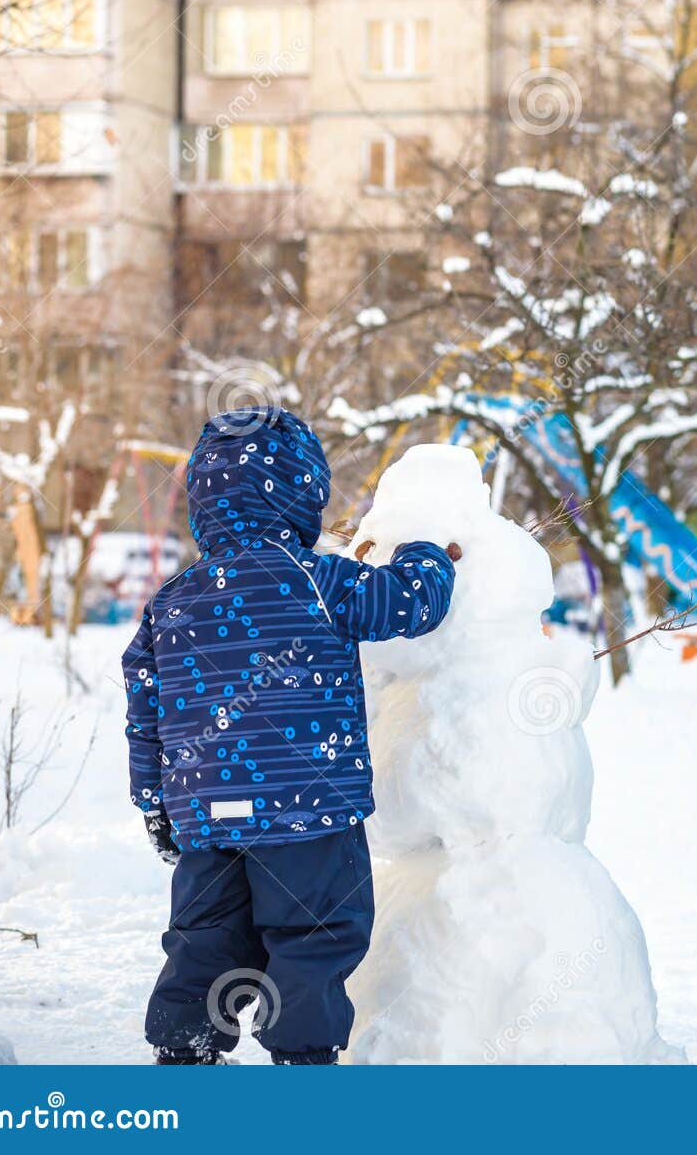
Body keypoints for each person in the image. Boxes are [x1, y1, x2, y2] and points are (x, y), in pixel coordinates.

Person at [122, 406, 458, 1065]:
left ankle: (184, 1053)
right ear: (304, 495)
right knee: (313, 937)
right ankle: (304, 1064)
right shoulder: (320, 578)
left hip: (207, 816)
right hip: (309, 809)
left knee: (206, 939)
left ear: (203, 502)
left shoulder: (172, 600)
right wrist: (426, 547)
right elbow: (412, 603)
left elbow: (145, 711)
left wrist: (155, 803)